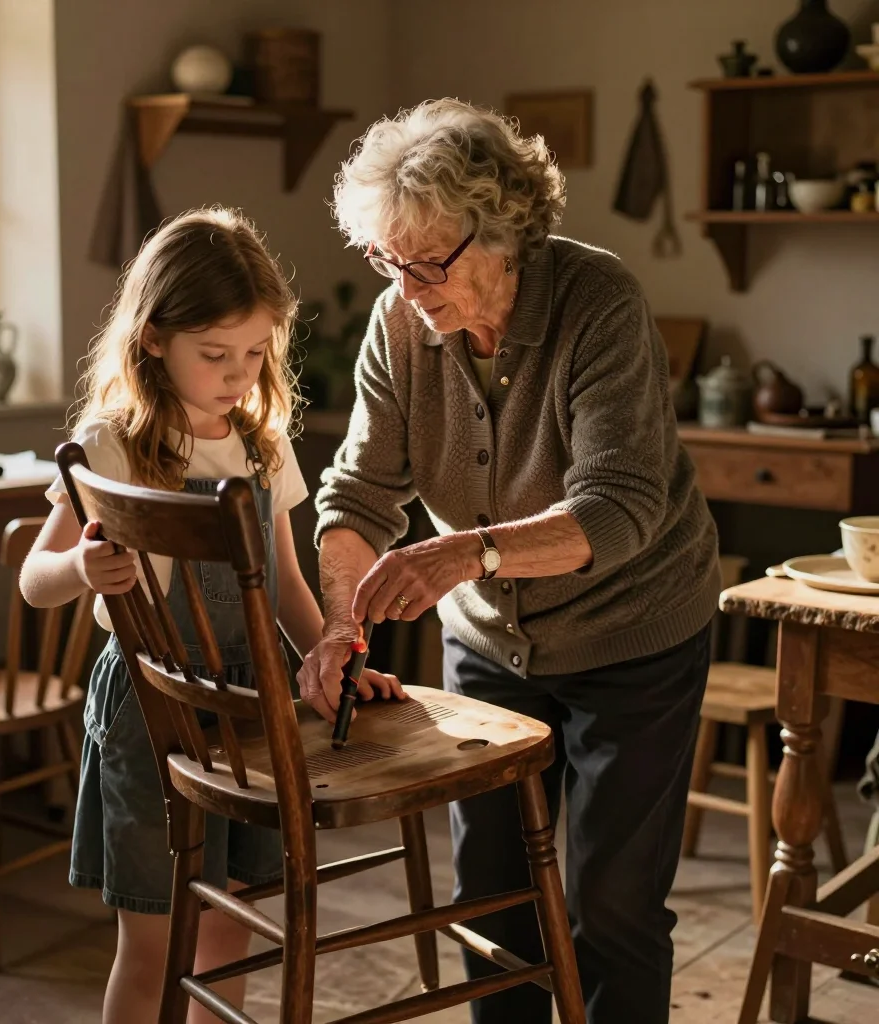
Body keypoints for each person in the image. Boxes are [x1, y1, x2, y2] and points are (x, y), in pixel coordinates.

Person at [297, 98, 721, 1024]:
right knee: (490, 900)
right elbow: (357, 494)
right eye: (385, 259)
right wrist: (339, 624)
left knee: (611, 904)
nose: (406, 287)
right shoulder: (401, 322)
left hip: (635, 633)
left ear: (505, 235)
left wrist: (466, 554)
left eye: (426, 263)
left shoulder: (597, 302)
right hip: (494, 647)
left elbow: (619, 510)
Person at [19, 207, 401, 1024]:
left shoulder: (262, 441)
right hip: (153, 711)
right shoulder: (113, 442)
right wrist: (81, 566)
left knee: (230, 929)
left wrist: (336, 655)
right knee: (154, 941)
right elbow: (33, 579)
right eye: (215, 354)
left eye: (257, 352)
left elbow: (289, 585)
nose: (238, 374)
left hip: (249, 707)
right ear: (154, 337)